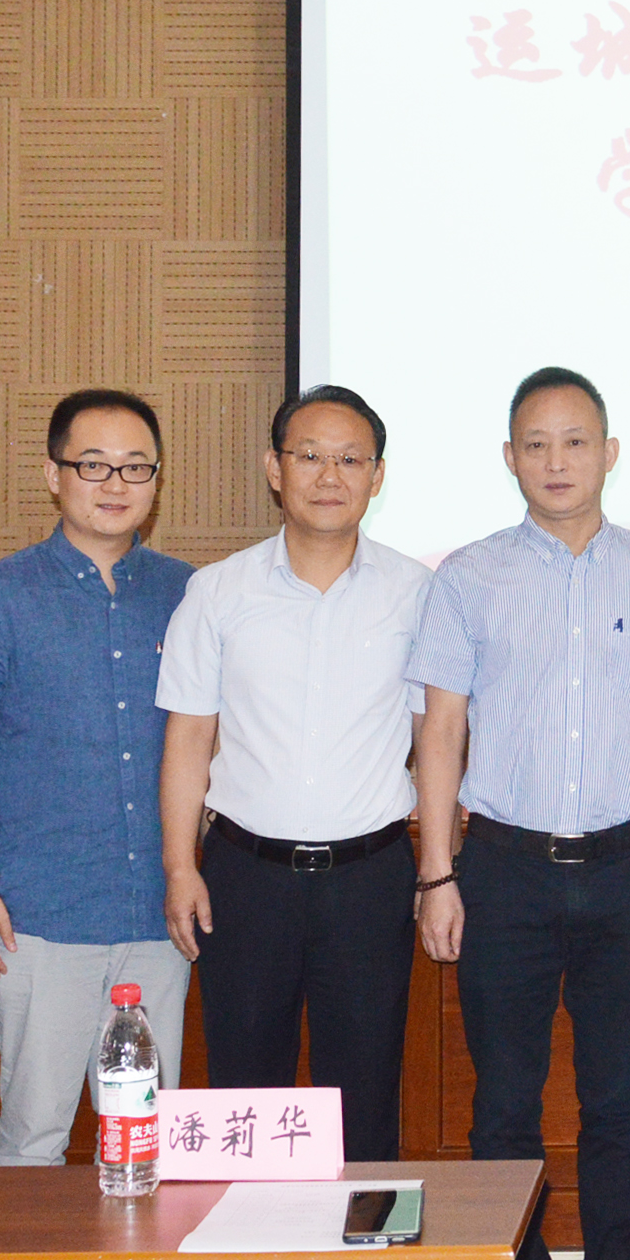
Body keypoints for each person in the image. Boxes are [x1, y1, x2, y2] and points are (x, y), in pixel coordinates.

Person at [408, 367, 630, 1260]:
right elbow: (441, 733)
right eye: (536, 444)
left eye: (575, 442)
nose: (556, 461)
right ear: (509, 458)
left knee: (619, 1103)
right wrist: (437, 872)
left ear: (609, 453)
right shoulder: (468, 576)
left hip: (625, 869)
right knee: (503, 1108)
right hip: (503, 871)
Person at [159, 385, 434, 1161]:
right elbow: (189, 737)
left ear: (378, 475)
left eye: (351, 459)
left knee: (366, 1097)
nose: (329, 475)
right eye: (309, 455)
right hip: (246, 878)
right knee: (244, 1098)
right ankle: (253, 1249)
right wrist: (180, 866)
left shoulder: (417, 594)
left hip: (370, 878)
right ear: (274, 469)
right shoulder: (218, 592)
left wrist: (437, 866)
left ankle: (366, 1246)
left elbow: (438, 737)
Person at [0, 388, 196, 1166]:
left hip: (157, 915)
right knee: (34, 1136)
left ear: (156, 480)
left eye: (136, 467)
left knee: (146, 1140)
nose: (116, 484)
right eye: (93, 465)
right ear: (54, 475)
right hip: (40, 915)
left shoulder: (188, 594)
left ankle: (137, 1257)